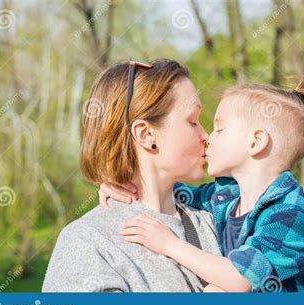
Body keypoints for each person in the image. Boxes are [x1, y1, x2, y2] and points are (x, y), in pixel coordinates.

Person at [100, 79, 304, 292]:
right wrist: (124, 186)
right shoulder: (226, 196)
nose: (208, 137)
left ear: (256, 142)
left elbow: (240, 279)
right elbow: (170, 192)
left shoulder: (290, 215)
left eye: (219, 129)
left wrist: (169, 244)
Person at [42, 59, 220, 292]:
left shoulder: (217, 216)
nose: (205, 135)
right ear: (146, 134)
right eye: (193, 121)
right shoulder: (89, 243)